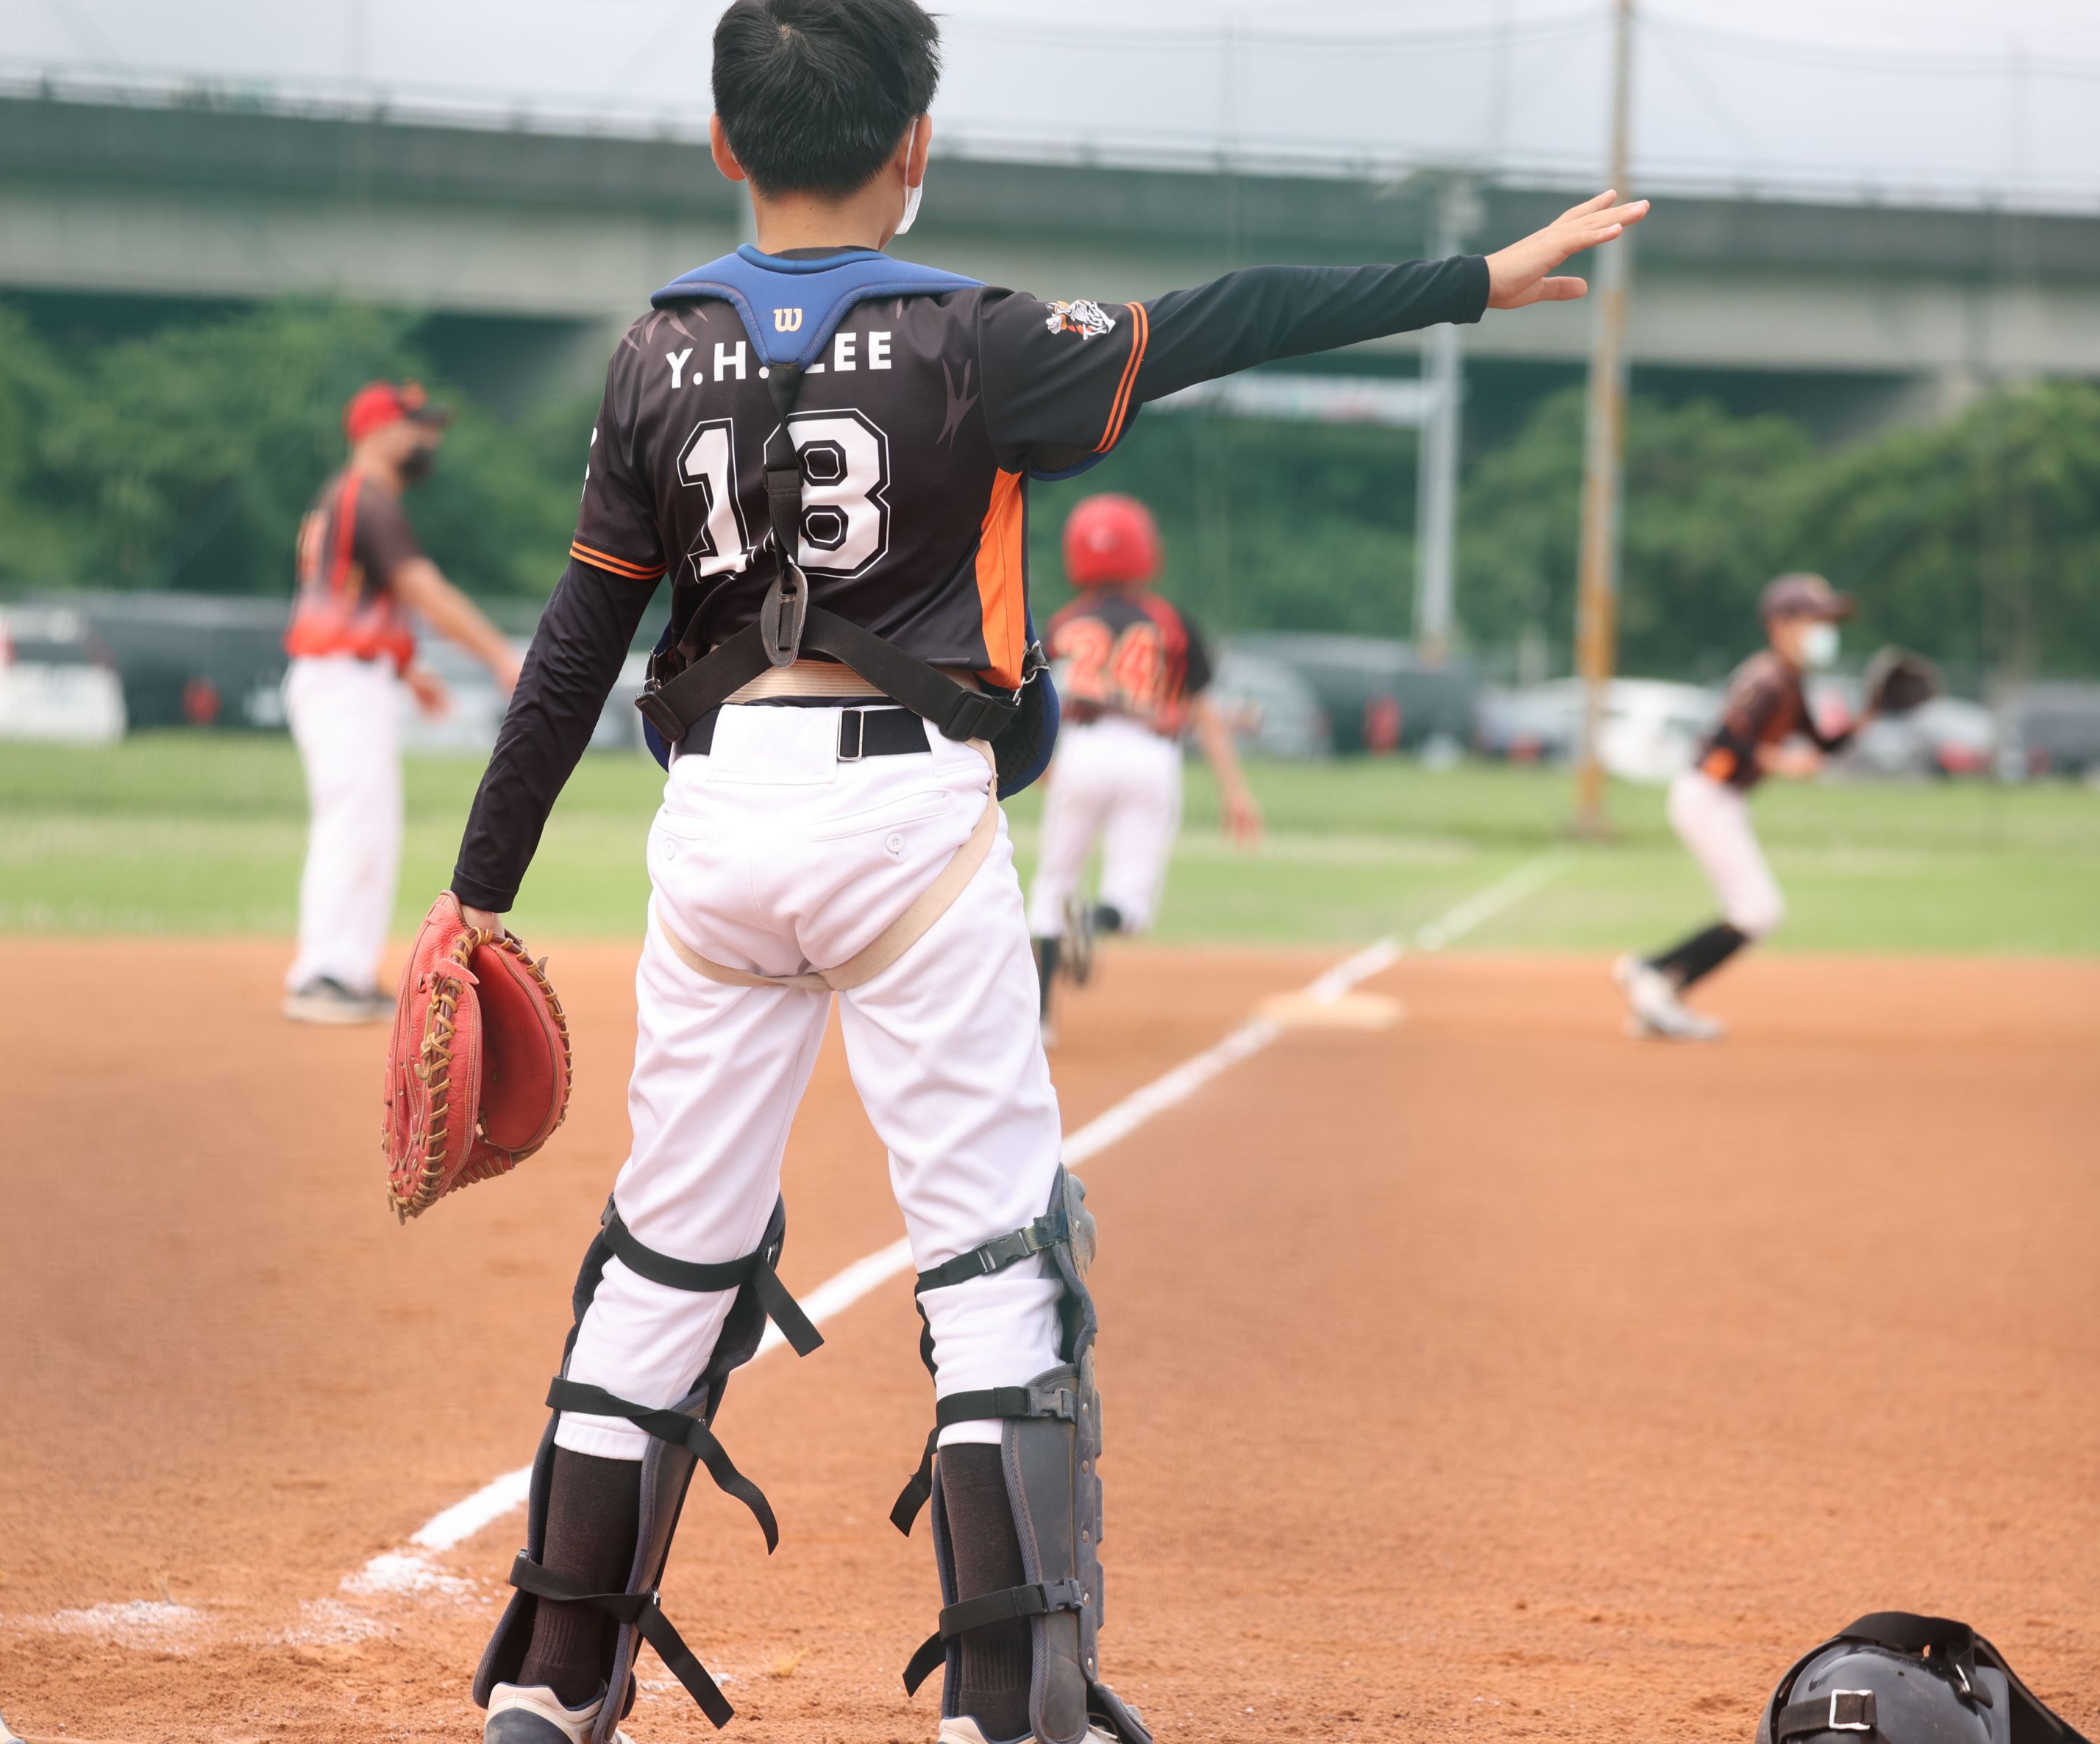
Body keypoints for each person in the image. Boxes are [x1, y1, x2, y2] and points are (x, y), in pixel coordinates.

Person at [441, 3, 1648, 1740]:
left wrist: (478, 886)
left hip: (715, 822)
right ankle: (1009, 1698)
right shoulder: (977, 338)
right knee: (1000, 1251)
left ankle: (552, 1681)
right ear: (913, 145)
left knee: (668, 1250)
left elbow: (575, 644)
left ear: (722, 143)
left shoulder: (655, 348)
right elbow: (1231, 316)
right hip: (903, 819)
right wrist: (1471, 277)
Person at [281, 380, 523, 1025]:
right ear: (381, 431)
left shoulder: (350, 497)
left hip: (350, 675)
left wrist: (407, 665)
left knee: (369, 830)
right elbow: (425, 591)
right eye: (418, 426)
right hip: (342, 681)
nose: (428, 438)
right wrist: (500, 656)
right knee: (350, 828)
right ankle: (323, 973)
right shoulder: (367, 499)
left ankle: (347, 970)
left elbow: (351, 598)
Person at [1026, 494, 1259, 1042]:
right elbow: (1202, 713)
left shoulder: (1063, 623)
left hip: (1082, 751)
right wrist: (1235, 792)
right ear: (1144, 551)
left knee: (1054, 882)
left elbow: (1036, 701)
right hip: (1151, 754)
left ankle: (1040, 1020)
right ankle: (1098, 919)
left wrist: (1041, 764)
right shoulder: (1169, 623)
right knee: (1131, 900)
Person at [1613, 572, 1872, 1042]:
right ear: (1780, 625)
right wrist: (1780, 761)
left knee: (1755, 910)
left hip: (1721, 801)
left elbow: (1823, 746)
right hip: (1706, 796)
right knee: (1757, 909)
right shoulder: (1766, 677)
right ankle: (1654, 974)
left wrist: (1870, 713)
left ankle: (1658, 983)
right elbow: (1729, 736)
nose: (1825, 631)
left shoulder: (1791, 682)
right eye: (1815, 620)